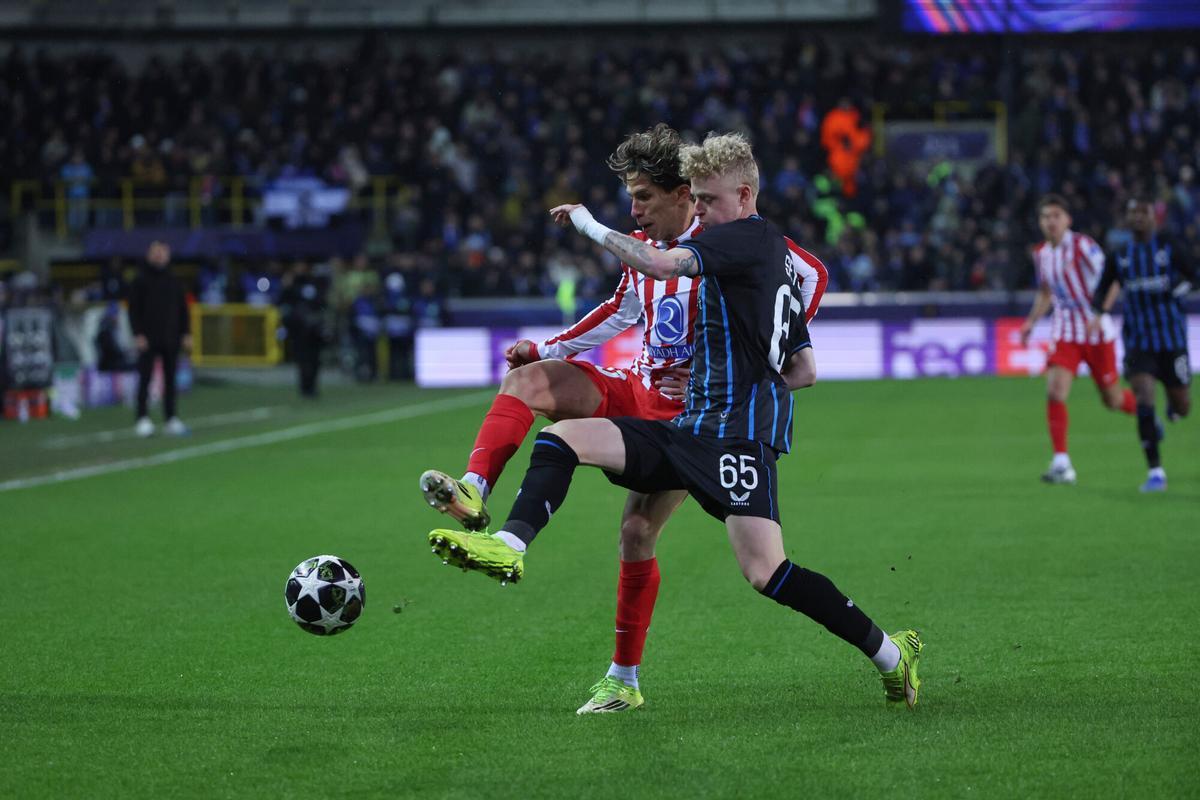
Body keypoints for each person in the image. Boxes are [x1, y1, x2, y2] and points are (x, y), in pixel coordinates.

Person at [426, 132, 922, 711]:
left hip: (733, 437)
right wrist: (562, 351)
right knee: (560, 440)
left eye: (704, 201)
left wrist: (588, 224)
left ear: (730, 196)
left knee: (765, 572)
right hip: (682, 424)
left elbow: (674, 268)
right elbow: (803, 365)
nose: (700, 212)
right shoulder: (738, 256)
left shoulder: (747, 244)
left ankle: (891, 651)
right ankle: (508, 541)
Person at [1019, 194, 1136, 484]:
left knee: (1112, 399)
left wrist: (1101, 311)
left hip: (1097, 333)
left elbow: (1114, 278)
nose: (1051, 221)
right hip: (1065, 332)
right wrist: (1031, 322)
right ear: (1040, 222)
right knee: (1055, 391)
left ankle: (1145, 413)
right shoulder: (1042, 254)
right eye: (1046, 216)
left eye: (1056, 215)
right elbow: (1046, 292)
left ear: (1067, 220)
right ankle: (1062, 463)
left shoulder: (1084, 247)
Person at [1088, 198, 1194, 492]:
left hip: (1172, 340)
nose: (1137, 217)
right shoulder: (1120, 254)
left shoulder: (1168, 247)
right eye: (1132, 212)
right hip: (1138, 341)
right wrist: (1098, 313)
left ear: (1154, 216)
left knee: (1183, 406)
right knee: (1144, 398)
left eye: (1143, 212)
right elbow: (1102, 288)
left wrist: (1175, 290)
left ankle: (1174, 409)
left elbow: (1194, 275)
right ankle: (1155, 472)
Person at [128, 240, 191, 437]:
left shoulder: (174, 281)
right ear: (149, 254)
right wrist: (137, 334)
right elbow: (133, 310)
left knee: (171, 380)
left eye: (163, 252)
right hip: (147, 338)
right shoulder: (139, 280)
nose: (159, 256)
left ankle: (171, 418)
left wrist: (186, 333)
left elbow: (183, 310)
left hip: (170, 337)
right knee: (145, 378)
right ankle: (142, 418)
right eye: (156, 252)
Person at [279, 260, 328, 398]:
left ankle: (313, 386)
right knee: (302, 360)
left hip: (314, 329)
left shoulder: (314, 283)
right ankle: (305, 387)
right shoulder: (291, 285)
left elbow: (321, 302)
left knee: (315, 360)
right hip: (299, 330)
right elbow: (282, 303)